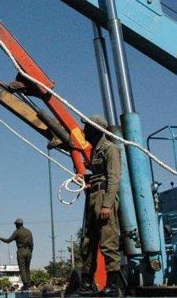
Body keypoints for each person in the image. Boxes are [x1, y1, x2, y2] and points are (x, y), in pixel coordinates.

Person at [77, 115, 121, 297]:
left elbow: (113, 178)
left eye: (87, 127)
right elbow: (99, 175)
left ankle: (112, 285)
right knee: (88, 242)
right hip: (93, 197)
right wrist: (86, 179)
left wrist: (107, 205)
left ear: (96, 130)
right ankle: (87, 284)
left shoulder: (110, 149)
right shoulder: (96, 150)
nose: (84, 131)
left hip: (103, 198)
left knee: (108, 241)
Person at [0, 218, 34, 290]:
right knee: (27, 268)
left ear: (16, 225)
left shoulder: (17, 232)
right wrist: (30, 251)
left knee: (22, 269)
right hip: (28, 251)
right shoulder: (29, 232)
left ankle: (25, 285)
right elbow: (32, 243)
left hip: (21, 251)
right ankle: (28, 284)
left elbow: (8, 241)